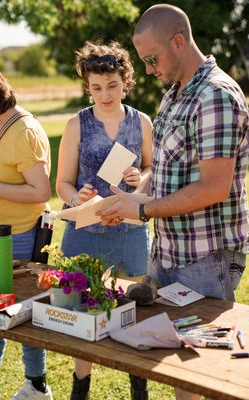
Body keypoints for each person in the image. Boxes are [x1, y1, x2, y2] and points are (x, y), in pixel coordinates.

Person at [98, 4, 249, 400]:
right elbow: (168, 172)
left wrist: (143, 209)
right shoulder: (174, 94)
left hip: (204, 258)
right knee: (174, 370)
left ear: (178, 42)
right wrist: (132, 199)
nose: (147, 70)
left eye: (151, 59)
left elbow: (213, 188)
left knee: (195, 375)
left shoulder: (214, 96)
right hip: (167, 252)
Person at [56, 40, 152, 399]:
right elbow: (62, 183)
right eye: (96, 88)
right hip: (85, 232)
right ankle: (80, 390)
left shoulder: (141, 121)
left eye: (112, 85)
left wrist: (137, 180)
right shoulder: (75, 123)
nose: (105, 94)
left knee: (130, 315)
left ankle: (137, 389)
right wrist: (74, 196)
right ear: (87, 87)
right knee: (84, 318)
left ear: (126, 81)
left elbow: (150, 166)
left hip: (129, 232)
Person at [0, 61, 53, 400]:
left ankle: (36, 385)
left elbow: (40, 192)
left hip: (19, 236)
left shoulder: (24, 131)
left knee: (19, 311)